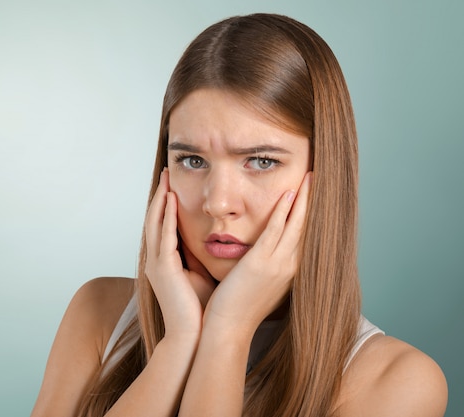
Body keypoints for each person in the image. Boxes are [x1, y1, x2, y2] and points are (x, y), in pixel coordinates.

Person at [30, 13, 448, 417]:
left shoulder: (396, 382)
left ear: (325, 176)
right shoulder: (99, 313)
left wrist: (227, 331)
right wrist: (177, 343)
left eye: (261, 161)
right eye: (192, 160)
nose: (217, 202)